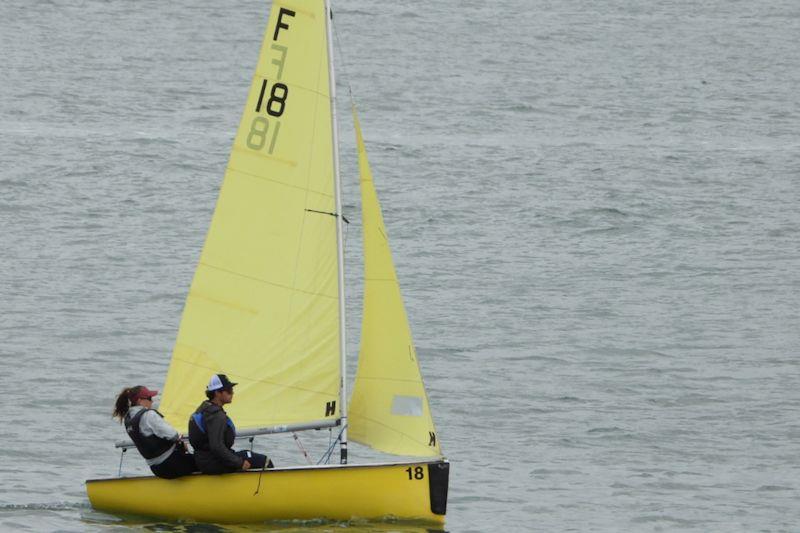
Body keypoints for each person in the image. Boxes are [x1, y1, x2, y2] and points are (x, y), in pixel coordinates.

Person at [188, 374, 273, 474]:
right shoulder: (216, 416)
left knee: (246, 453)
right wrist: (239, 463)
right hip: (214, 463)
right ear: (217, 393)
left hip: (204, 460)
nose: (232, 393)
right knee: (265, 461)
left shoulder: (204, 408)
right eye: (228, 391)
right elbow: (217, 447)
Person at [113, 385, 197, 479]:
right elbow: (172, 435)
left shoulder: (128, 419)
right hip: (173, 464)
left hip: (157, 469)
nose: (152, 401)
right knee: (205, 463)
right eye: (149, 398)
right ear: (139, 400)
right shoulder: (149, 415)